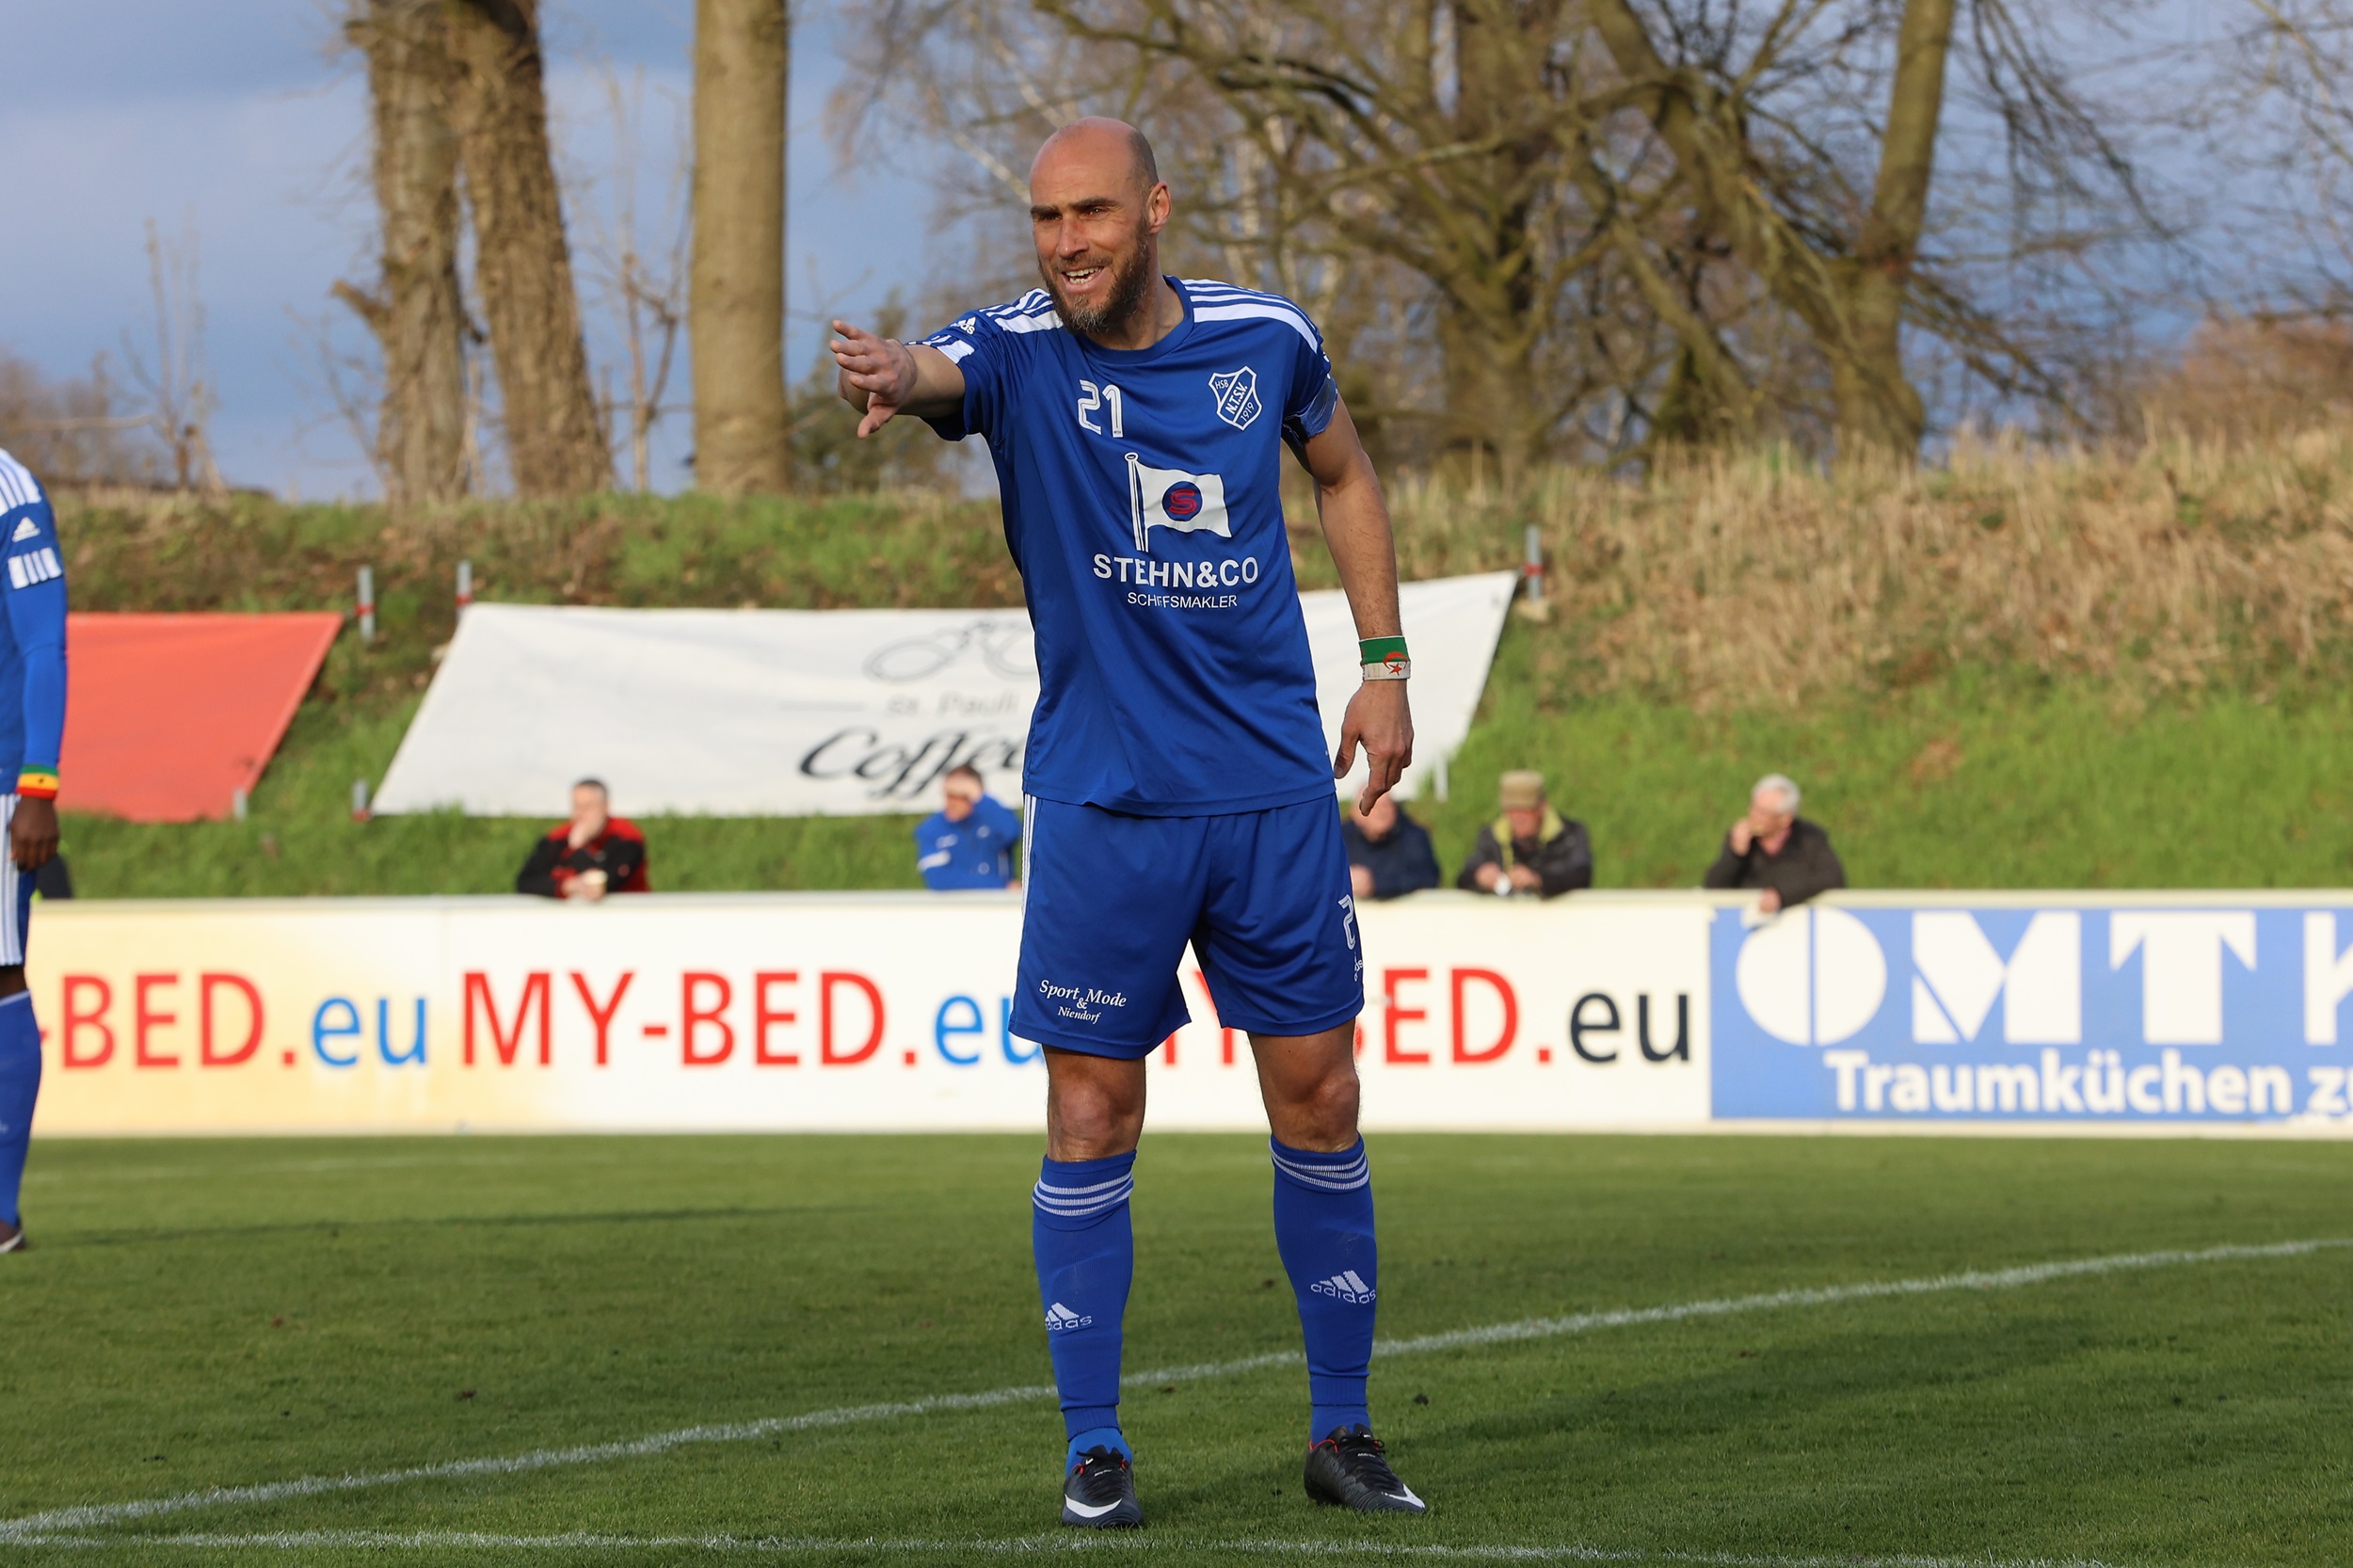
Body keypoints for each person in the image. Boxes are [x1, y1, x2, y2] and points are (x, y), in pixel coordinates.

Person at [833, 117, 1425, 1527]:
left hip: (1274, 795)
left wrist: (1386, 666)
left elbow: (1344, 474)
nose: (1068, 242)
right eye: (1044, 219)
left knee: (1323, 1096)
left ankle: (1341, 1430)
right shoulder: (1020, 347)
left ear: (1155, 207)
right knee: (1091, 1111)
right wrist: (894, 376)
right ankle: (1093, 1444)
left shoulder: (1265, 335)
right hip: (1105, 800)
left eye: (1092, 212)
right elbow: (938, 371)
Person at [0, 451, 67, 1256]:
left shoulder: (10, 494)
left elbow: (44, 645)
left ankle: (3, 1213)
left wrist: (38, 785)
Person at [1704, 772, 1846, 913]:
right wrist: (1735, 855)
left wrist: (1781, 894)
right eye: (1753, 808)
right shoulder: (1740, 838)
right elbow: (1713, 887)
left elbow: (1832, 877)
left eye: (1763, 813)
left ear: (1785, 819)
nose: (1754, 816)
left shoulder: (1809, 838)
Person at [1455, 771, 1592, 899]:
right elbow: (1463, 879)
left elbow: (1580, 875)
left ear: (1542, 808)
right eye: (1511, 810)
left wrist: (1538, 879)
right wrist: (1479, 877)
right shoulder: (1491, 836)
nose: (1517, 818)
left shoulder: (1570, 834)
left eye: (1525, 810)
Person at [516, 779, 648, 900]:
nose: (579, 815)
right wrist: (566, 887)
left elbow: (607, 881)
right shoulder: (558, 838)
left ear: (605, 807)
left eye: (587, 807)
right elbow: (526, 882)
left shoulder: (625, 837)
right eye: (576, 807)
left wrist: (577, 848)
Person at [916, 764, 1024, 890]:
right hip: (955, 907)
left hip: (997, 906)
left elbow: (1012, 832)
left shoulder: (991, 818)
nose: (952, 802)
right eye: (948, 795)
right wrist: (1000, 886)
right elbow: (938, 880)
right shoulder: (931, 829)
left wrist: (980, 797)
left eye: (960, 796)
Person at [1342, 792, 1439, 901]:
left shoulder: (1414, 836)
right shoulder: (1339, 838)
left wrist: (1375, 883)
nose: (1381, 812)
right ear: (1355, 813)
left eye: (1386, 805)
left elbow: (1427, 876)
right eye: (1372, 806)